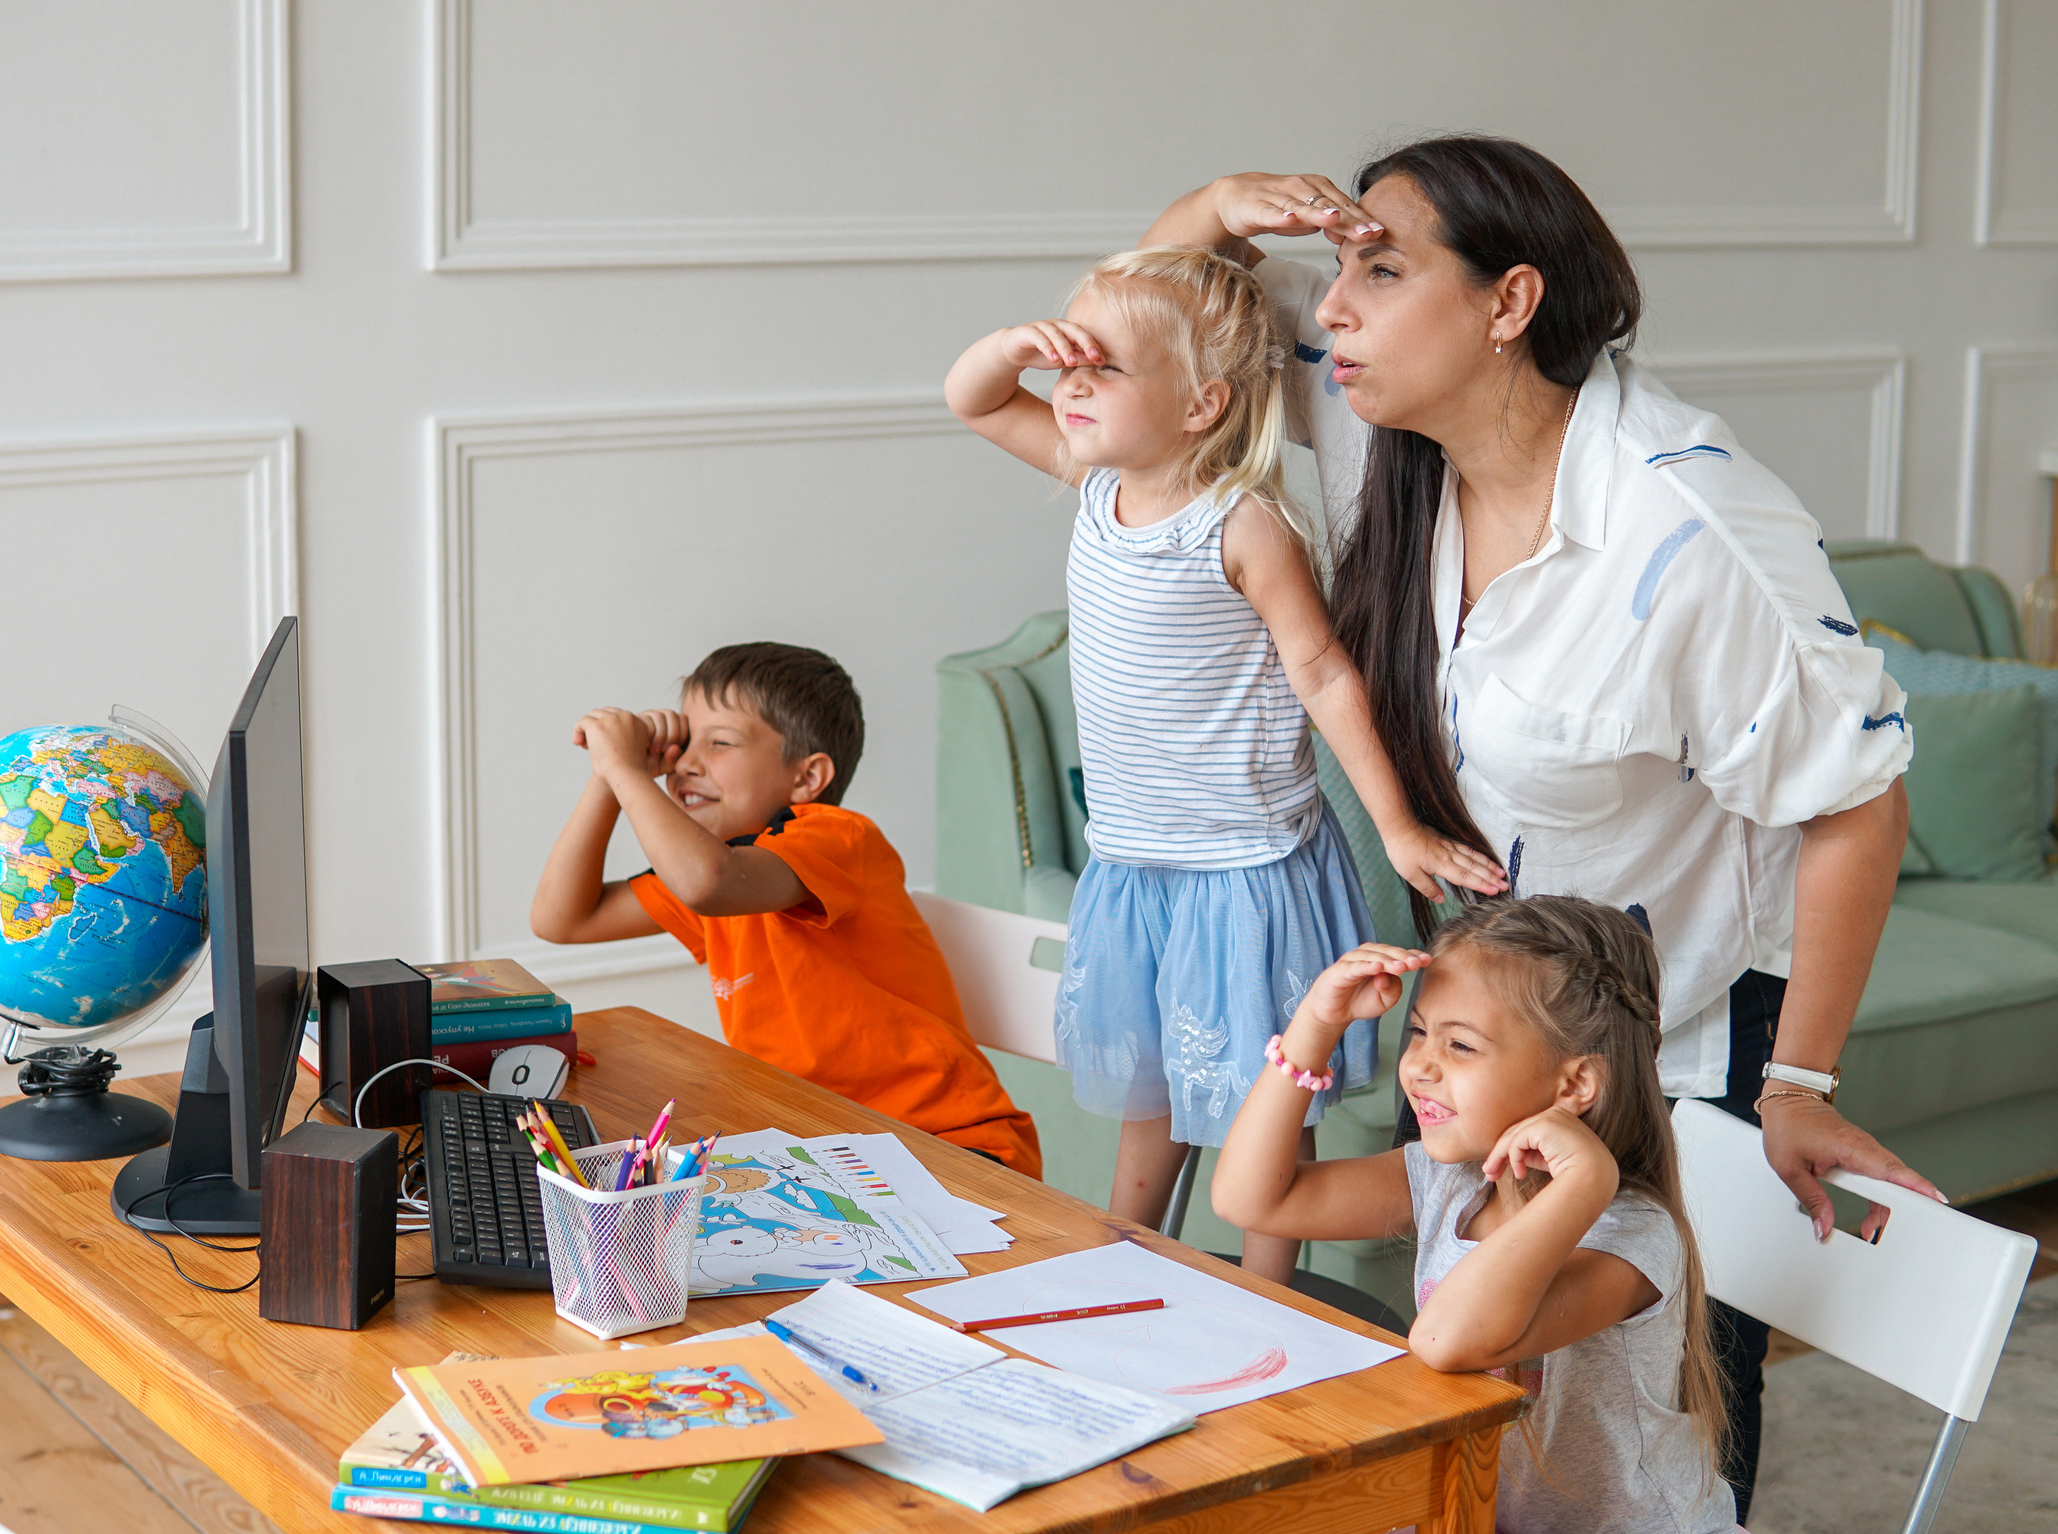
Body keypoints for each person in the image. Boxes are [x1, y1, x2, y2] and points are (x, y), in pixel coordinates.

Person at [1143, 136, 1935, 1517]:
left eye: (1380, 270)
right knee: (1478, 1399)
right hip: (1488, 1008)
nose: (1330, 308)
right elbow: (1135, 334)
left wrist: (1797, 1082)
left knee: (1659, 1428)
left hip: (1665, 1047)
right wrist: (1214, 211)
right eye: (1337, 266)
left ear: (1508, 304)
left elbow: (1857, 799)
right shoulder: (1388, 430)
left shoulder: (1686, 531)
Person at [943, 246, 1502, 1282]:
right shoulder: (1092, 479)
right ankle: (1122, 1261)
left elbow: (1326, 676)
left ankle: (1266, 1295)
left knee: (1264, 1097)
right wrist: (1017, 347)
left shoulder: (1243, 527)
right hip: (1135, 867)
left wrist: (1394, 826)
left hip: (1245, 873)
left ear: (1200, 404)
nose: (1068, 382)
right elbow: (972, 399)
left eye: (1101, 366)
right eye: (1065, 361)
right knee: (1153, 1088)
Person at [1212, 896, 1738, 1534]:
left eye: (1460, 1045)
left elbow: (1446, 1341)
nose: (1420, 1066)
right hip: (1478, 1511)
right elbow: (1253, 1200)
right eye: (1418, 1032)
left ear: (1573, 1087)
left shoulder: (1630, 1238)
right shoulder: (1448, 1178)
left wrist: (1584, 1182)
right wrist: (1314, 1027)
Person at [528, 640, 1042, 1176]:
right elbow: (562, 919)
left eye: (720, 742)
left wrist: (626, 770)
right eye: (682, 743)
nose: (685, 764)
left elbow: (708, 883)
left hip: (951, 1147)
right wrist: (607, 777)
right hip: (828, 1154)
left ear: (806, 778)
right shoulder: (723, 866)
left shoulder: (834, 838)